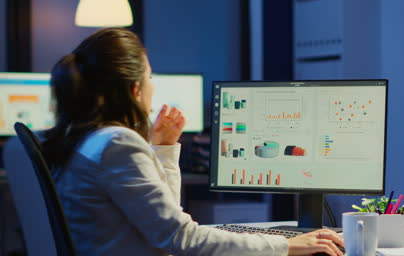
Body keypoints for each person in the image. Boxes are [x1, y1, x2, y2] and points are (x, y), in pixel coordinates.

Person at [42, 27, 344, 256]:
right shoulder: (118, 144)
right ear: (135, 89)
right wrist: (286, 245)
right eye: (150, 76)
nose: (153, 85)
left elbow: (167, 226)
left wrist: (162, 148)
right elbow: (182, 239)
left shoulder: (86, 139)